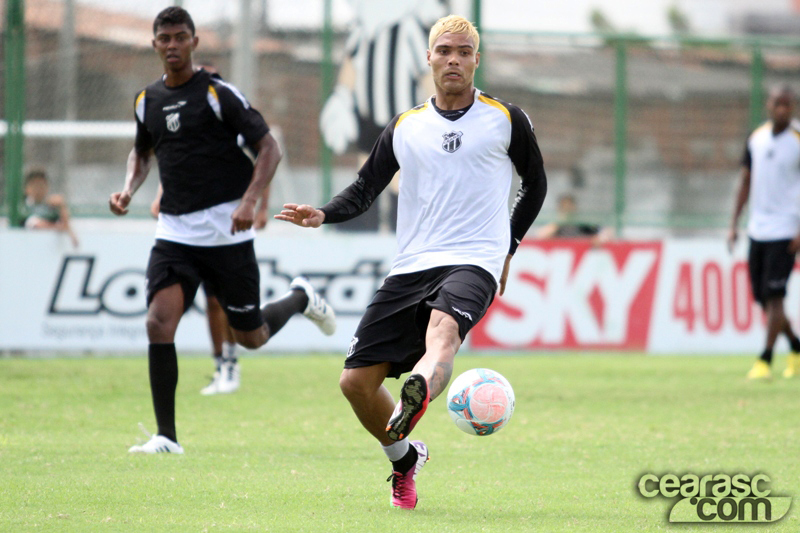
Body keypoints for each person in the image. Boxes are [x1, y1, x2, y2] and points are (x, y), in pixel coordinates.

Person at [277, 15, 547, 509]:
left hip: (475, 260)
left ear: (476, 61)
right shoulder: (405, 126)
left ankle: (419, 389)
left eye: (464, 52)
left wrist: (507, 247)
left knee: (442, 334)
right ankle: (404, 458)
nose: (453, 59)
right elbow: (364, 190)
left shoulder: (505, 118)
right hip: (411, 266)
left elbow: (536, 185)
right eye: (444, 50)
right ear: (428, 58)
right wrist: (322, 213)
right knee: (355, 383)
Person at [109, 7, 336, 454]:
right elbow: (142, 152)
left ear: (194, 42)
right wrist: (128, 189)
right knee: (159, 323)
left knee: (249, 335)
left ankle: (301, 298)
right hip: (174, 233)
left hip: (228, 234)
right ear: (154, 44)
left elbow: (268, 147)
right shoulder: (145, 100)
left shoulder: (217, 93)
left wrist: (250, 201)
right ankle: (166, 437)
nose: (172, 45)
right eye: (164, 38)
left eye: (180, 37)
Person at [151, 178, 271, 395]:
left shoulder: (238, 145)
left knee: (235, 315)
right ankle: (221, 364)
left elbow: (264, 160)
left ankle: (230, 361)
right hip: (191, 234)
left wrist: (262, 207)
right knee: (211, 302)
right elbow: (171, 162)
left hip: (228, 234)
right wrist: (160, 195)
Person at [728, 85, 800, 380]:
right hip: (757, 230)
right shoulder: (755, 139)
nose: (782, 109)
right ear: (768, 105)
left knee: (775, 297)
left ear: (793, 107)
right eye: (777, 104)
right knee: (762, 297)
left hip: (786, 230)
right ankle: (796, 345)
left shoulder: (798, 140)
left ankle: (765, 359)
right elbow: (745, 182)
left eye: (787, 104)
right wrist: (733, 223)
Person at [23, 168, 79, 248]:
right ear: (26, 188)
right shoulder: (24, 207)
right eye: (34, 185)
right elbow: (38, 225)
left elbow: (66, 225)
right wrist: (61, 228)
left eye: (42, 185)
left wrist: (62, 207)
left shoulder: (51, 206)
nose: (38, 189)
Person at [536, 192, 612, 245]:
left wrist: (599, 239)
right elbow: (540, 236)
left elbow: (605, 231)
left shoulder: (581, 224)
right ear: (559, 208)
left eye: (570, 207)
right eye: (564, 207)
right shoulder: (556, 225)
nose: (568, 210)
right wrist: (560, 222)